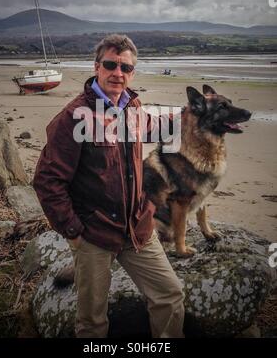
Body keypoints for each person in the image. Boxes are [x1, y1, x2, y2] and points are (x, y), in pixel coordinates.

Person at [33, 34, 185, 338]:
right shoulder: (73, 117)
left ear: (132, 72)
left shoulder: (132, 106)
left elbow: (152, 125)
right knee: (93, 322)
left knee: (170, 296)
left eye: (126, 68)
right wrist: (73, 231)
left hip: (137, 227)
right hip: (94, 234)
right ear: (97, 67)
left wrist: (191, 116)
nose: (118, 73)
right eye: (111, 64)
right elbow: (47, 180)